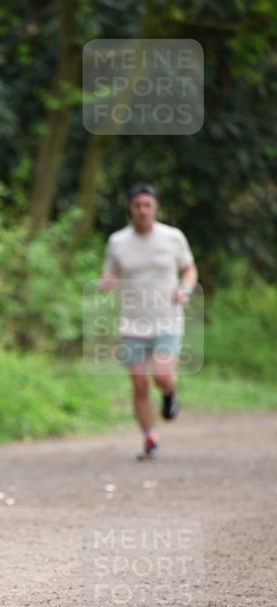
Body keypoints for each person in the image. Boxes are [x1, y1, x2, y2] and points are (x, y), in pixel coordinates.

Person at [98, 182, 198, 460]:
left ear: (155, 208)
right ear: (130, 209)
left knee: (162, 376)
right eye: (137, 206)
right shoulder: (118, 241)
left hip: (166, 319)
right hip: (131, 323)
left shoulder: (173, 237)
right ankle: (149, 438)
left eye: (147, 205)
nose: (142, 211)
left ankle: (169, 394)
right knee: (140, 384)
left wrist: (185, 290)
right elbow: (111, 273)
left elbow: (189, 269)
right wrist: (107, 283)